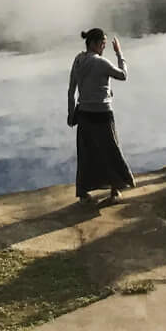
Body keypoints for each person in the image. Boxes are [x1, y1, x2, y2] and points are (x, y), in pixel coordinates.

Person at [68, 28, 135, 205]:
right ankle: (115, 189)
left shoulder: (78, 61)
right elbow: (123, 75)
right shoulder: (101, 63)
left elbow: (71, 90)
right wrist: (120, 54)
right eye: (103, 43)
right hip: (102, 113)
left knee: (87, 153)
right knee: (111, 151)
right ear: (94, 43)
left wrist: (70, 114)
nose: (104, 47)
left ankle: (83, 193)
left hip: (83, 114)